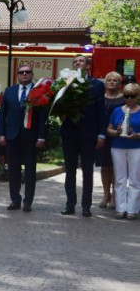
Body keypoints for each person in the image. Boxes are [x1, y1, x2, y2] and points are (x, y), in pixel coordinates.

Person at [60, 55, 106, 217]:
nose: (76, 63)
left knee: (87, 170)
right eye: (74, 61)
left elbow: (100, 110)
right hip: (69, 133)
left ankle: (86, 205)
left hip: (89, 134)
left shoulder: (97, 85)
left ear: (88, 66)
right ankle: (70, 204)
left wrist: (101, 134)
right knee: (70, 170)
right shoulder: (65, 83)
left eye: (80, 61)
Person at [0, 66, 47, 212]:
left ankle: (28, 202)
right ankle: (15, 200)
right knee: (13, 170)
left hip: (31, 137)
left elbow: (42, 116)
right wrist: (1, 133)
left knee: (30, 170)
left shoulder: (38, 92)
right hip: (12, 136)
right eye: (21, 72)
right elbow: (2, 114)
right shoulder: (10, 91)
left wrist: (41, 136)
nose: (24, 74)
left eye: (27, 72)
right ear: (17, 75)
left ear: (32, 75)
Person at [106, 83, 140, 219]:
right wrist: (116, 132)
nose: (129, 99)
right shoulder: (117, 110)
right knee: (119, 179)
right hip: (118, 146)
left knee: (135, 179)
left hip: (136, 147)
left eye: (132, 96)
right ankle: (120, 208)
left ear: (137, 97)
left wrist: (137, 135)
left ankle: (132, 209)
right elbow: (108, 129)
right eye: (126, 96)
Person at [98, 72, 125, 209]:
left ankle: (115, 195)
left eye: (115, 80)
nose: (112, 82)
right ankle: (105, 194)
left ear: (120, 83)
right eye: (109, 80)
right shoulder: (100, 98)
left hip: (118, 136)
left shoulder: (124, 99)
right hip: (102, 136)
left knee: (116, 166)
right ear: (106, 82)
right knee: (105, 166)